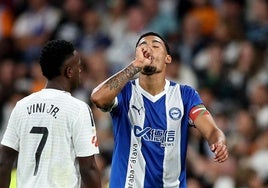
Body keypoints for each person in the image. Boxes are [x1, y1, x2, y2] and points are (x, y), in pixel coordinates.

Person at [90, 32, 228, 188]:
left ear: (167, 58)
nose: (148, 49)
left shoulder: (185, 95)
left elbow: (211, 129)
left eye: (155, 46)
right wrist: (134, 66)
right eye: (143, 46)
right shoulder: (124, 91)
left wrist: (218, 141)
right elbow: (98, 98)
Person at [0, 40, 101, 188]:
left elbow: (4, 161)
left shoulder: (21, 106)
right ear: (69, 71)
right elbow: (89, 168)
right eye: (78, 66)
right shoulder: (78, 109)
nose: (80, 71)